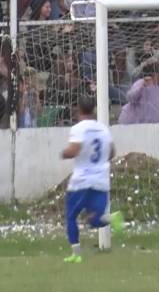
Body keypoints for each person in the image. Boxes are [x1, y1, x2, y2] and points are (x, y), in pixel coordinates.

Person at [61, 96, 124, 264]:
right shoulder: (103, 129)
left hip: (81, 181)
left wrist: (64, 153)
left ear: (79, 109)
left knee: (71, 217)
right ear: (93, 109)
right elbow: (112, 153)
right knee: (94, 219)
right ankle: (112, 218)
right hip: (101, 180)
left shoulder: (78, 128)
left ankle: (76, 254)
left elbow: (73, 150)